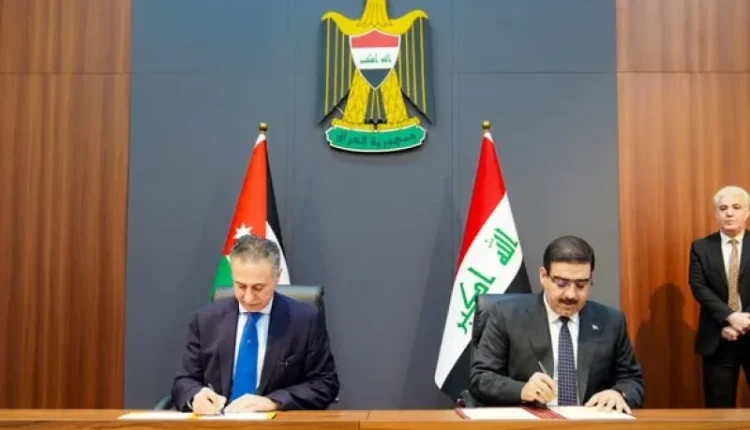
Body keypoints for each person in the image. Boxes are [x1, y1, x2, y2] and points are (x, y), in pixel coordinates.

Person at [469, 235, 644, 413]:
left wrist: (619, 394)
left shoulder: (610, 321)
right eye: (561, 283)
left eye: (581, 285)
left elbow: (632, 381)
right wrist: (522, 390)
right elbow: (481, 378)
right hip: (530, 421)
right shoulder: (506, 315)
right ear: (543, 276)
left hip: (588, 422)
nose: (571, 294)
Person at [171, 234, 339, 414]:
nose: (249, 298)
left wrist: (274, 402)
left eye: (258, 288)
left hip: (275, 424)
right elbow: (184, 381)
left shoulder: (304, 321)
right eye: (241, 286)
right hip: (218, 422)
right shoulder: (206, 320)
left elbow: (325, 384)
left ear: (277, 277)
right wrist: (195, 396)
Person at [689, 185, 750, 408]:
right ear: (716, 213)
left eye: (736, 207)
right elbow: (698, 287)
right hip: (718, 336)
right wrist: (729, 318)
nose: (729, 213)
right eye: (723, 208)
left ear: (747, 212)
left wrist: (745, 320)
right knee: (719, 409)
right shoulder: (701, 247)